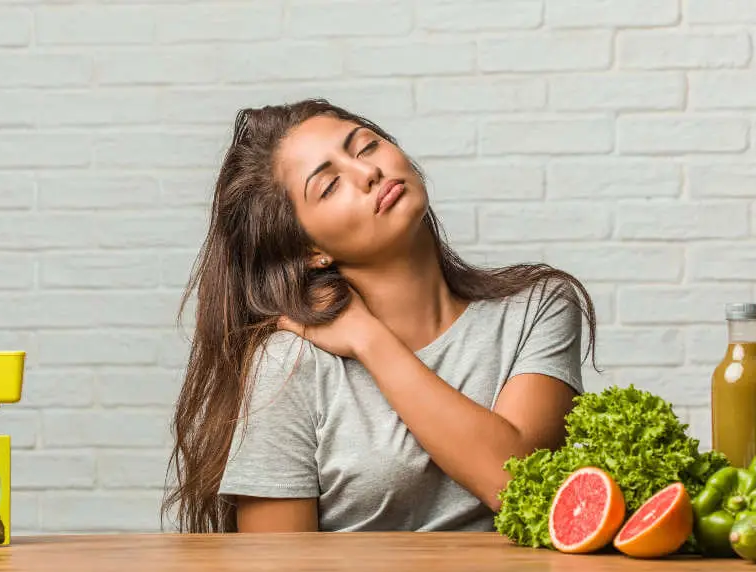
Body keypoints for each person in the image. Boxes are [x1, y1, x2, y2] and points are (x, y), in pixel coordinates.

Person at [162, 98, 599, 535]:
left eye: (366, 147)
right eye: (329, 186)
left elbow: (520, 486)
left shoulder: (537, 306)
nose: (367, 172)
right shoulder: (290, 363)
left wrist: (370, 341)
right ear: (311, 251)